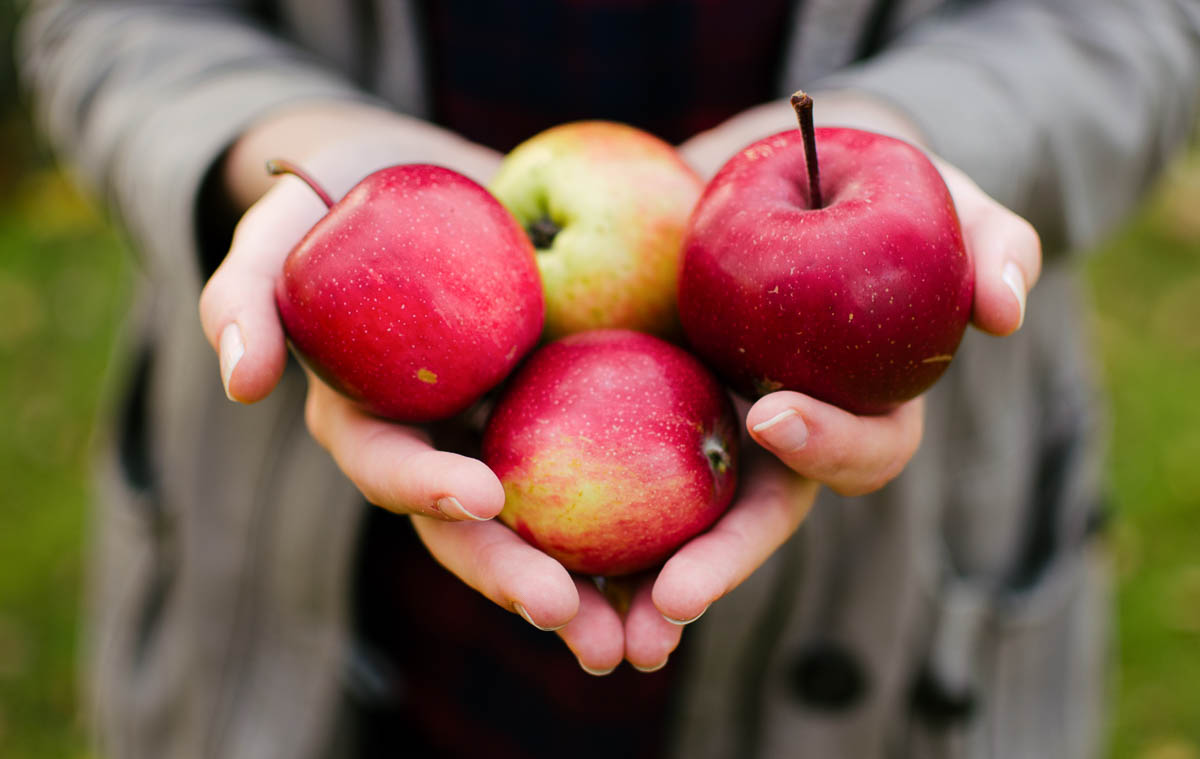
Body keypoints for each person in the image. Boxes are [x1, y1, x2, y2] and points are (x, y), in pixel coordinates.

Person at [17, 0, 1200, 757]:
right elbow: (104, 20)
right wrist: (284, 139)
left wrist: (902, 131)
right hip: (313, 585)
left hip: (888, 600)